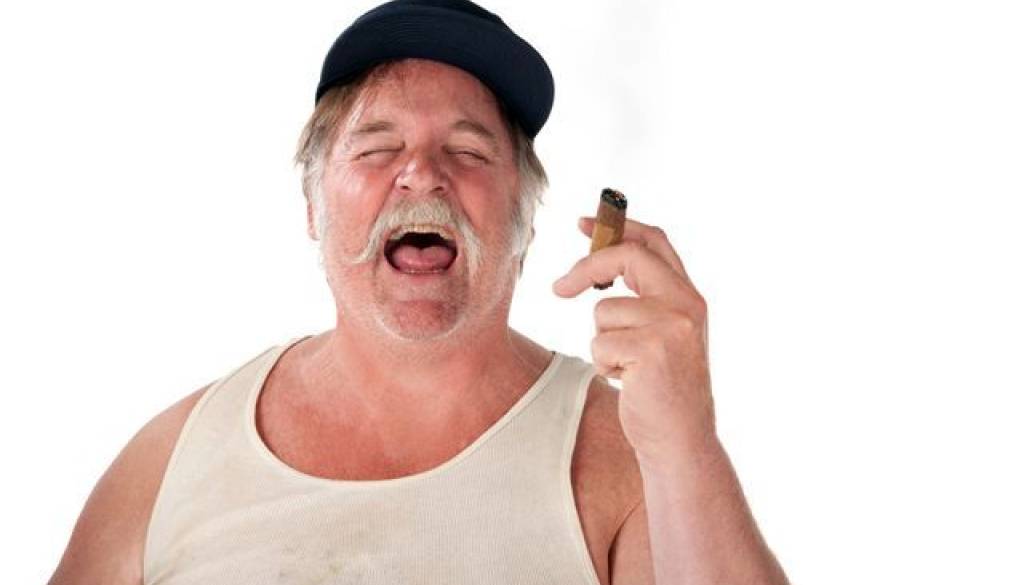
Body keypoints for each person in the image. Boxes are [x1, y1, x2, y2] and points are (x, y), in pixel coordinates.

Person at [48, 1, 790, 583]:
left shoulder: (628, 456)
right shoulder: (174, 457)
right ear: (312, 208)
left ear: (525, 220)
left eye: (468, 150)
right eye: (377, 148)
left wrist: (685, 444)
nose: (423, 174)